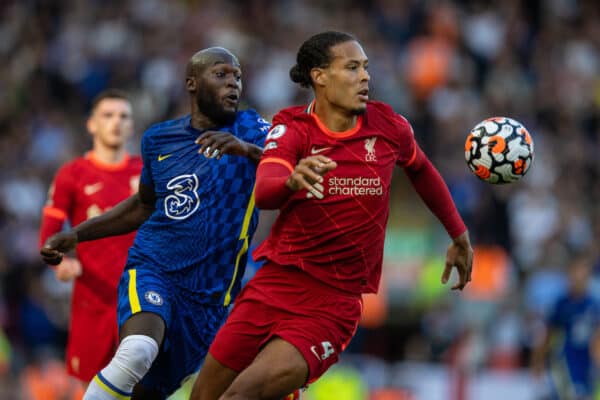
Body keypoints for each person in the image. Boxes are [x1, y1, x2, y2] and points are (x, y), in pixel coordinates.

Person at [190, 31, 474, 400]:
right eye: (352, 67)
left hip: (333, 305)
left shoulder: (390, 127)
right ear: (319, 76)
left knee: (241, 395)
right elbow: (265, 191)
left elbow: (421, 170)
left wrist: (459, 234)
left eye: (366, 68)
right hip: (274, 285)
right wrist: (291, 180)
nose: (365, 77)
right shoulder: (292, 128)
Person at [40, 47, 270, 400]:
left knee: (148, 393)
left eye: (237, 76)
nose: (233, 83)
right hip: (154, 267)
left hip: (210, 299)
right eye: (221, 74)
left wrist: (247, 150)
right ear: (192, 84)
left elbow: (293, 162)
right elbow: (144, 205)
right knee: (137, 351)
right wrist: (76, 234)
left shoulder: (254, 129)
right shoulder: (159, 139)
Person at [39, 89, 142, 386]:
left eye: (124, 116)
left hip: (138, 296)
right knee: (92, 388)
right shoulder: (72, 175)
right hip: (92, 300)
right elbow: (48, 235)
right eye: (107, 116)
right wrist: (61, 263)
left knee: (143, 385)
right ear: (91, 124)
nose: (116, 122)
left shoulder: (146, 173)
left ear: (132, 125)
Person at [531, 252, 600, 399]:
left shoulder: (593, 305)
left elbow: (597, 338)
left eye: (584, 273)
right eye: (576, 272)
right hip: (565, 363)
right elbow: (547, 335)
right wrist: (538, 362)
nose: (580, 277)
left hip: (586, 364)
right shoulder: (561, 304)